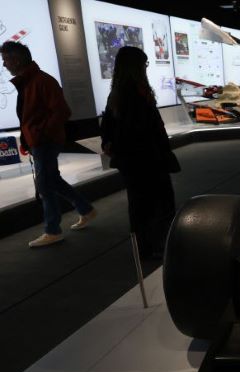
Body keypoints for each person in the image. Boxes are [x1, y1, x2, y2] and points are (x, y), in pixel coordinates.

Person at [1, 41, 96, 248]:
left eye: (5, 59)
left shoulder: (42, 81)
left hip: (45, 141)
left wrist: (40, 133)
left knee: (45, 184)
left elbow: (62, 111)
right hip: (41, 140)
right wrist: (30, 138)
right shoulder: (29, 81)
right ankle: (85, 209)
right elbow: (30, 115)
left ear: (16, 59)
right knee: (51, 180)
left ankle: (53, 230)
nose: (4, 64)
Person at [100, 46, 180, 260]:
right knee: (154, 204)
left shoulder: (120, 93)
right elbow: (140, 130)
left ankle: (147, 246)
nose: (146, 68)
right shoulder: (133, 93)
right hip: (145, 160)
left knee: (141, 204)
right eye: (143, 64)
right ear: (134, 67)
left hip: (136, 161)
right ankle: (153, 246)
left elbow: (109, 129)